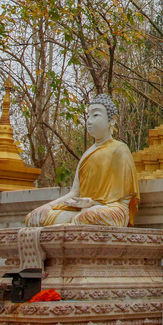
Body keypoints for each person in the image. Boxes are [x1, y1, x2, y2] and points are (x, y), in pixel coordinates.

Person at [25, 94, 139, 227]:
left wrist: (92, 203)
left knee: (88, 216)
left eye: (96, 115)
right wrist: (49, 206)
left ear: (112, 120)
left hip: (111, 211)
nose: (89, 121)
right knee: (34, 218)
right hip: (83, 208)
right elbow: (75, 192)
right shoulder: (87, 154)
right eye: (88, 116)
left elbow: (124, 199)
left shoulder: (120, 150)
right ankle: (69, 225)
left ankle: (69, 225)